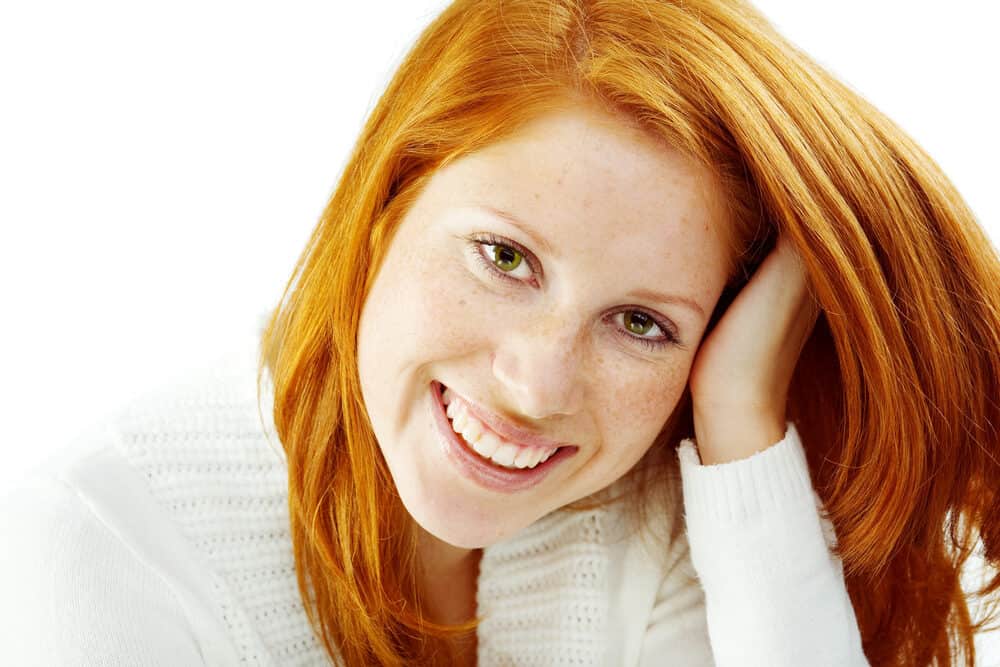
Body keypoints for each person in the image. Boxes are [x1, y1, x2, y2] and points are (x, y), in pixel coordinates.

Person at [1, 0, 998, 665]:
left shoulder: (658, 509)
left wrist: (741, 417)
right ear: (388, 200)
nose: (534, 385)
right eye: (504, 257)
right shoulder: (92, 547)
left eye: (641, 322)